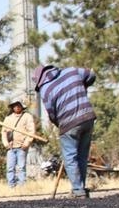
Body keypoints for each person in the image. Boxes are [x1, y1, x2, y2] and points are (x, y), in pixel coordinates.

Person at [33, 64, 97, 198]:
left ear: (40, 80)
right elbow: (91, 75)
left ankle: (78, 191)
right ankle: (79, 188)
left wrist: (60, 125)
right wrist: (83, 86)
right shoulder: (72, 71)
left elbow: (51, 113)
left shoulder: (46, 89)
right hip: (88, 117)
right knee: (82, 156)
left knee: (70, 157)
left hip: (68, 123)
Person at [1, 100, 37, 188]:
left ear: (22, 107)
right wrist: (6, 144)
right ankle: (11, 186)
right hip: (11, 147)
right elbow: (3, 132)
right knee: (10, 168)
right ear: (12, 107)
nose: (17, 107)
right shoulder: (8, 118)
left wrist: (27, 143)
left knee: (21, 167)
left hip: (22, 147)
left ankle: (22, 186)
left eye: (18, 105)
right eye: (15, 106)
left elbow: (31, 131)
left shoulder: (27, 117)